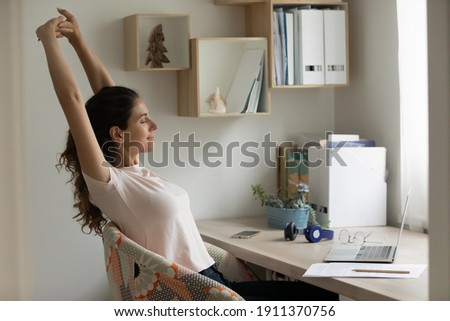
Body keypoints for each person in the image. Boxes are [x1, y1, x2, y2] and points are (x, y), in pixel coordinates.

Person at [36, 8, 337, 301]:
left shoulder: (132, 168)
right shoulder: (111, 184)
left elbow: (110, 97)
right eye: (143, 121)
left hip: (214, 281)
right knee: (323, 298)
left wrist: (78, 40)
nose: (154, 125)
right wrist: (49, 40)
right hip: (197, 294)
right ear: (118, 134)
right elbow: (73, 100)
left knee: (321, 293)